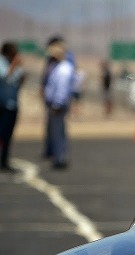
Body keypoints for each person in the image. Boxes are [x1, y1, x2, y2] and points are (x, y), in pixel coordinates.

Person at [43, 41, 74, 170]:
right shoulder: (59, 67)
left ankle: (60, 158)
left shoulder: (63, 69)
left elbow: (62, 88)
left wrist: (57, 104)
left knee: (58, 132)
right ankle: (58, 157)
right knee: (57, 132)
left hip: (58, 105)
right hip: (56, 103)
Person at [0, 41, 25, 173]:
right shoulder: (1, 63)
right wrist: (14, 65)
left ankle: (4, 161)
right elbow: (4, 77)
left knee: (7, 135)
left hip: (12, 104)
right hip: (1, 105)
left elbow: (19, 80)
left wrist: (19, 69)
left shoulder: (13, 65)